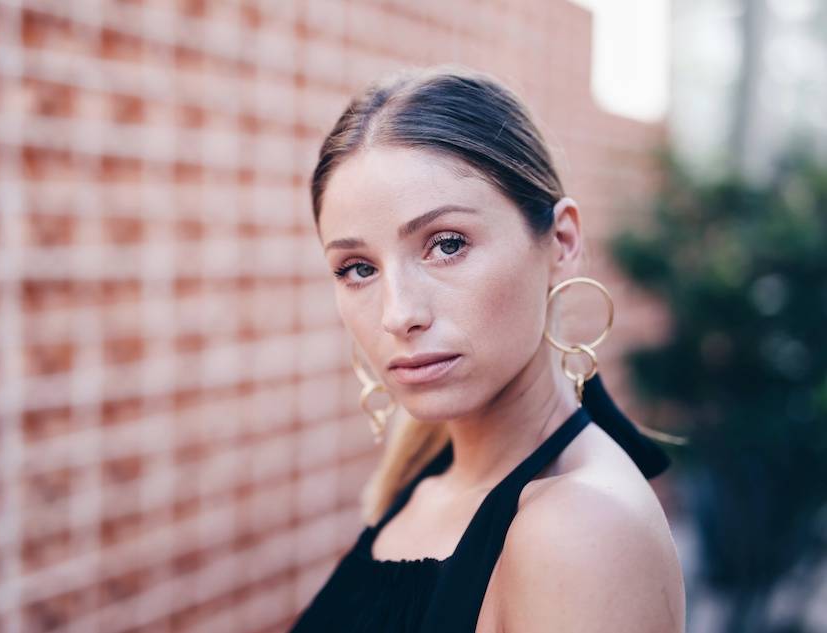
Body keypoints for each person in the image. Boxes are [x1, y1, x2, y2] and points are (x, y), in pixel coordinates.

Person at [288, 64, 686, 633]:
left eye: (446, 245)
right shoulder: (427, 480)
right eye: (357, 268)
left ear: (562, 243)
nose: (399, 314)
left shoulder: (580, 527)